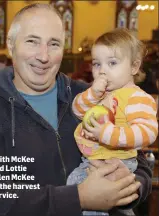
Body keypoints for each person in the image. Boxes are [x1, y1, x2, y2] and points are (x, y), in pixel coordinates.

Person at [0, 4, 152, 216]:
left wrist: (126, 185)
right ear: (11, 45)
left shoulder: (91, 96)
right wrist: (79, 197)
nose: (43, 56)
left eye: (54, 44)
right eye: (32, 41)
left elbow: (141, 165)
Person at [67, 28, 158, 215]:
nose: (102, 71)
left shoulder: (136, 97)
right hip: (91, 160)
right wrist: (92, 94)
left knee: (94, 204)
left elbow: (147, 132)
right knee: (73, 189)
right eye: (96, 64)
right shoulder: (101, 94)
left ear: (134, 67)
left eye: (112, 63)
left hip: (118, 162)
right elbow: (77, 110)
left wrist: (107, 134)